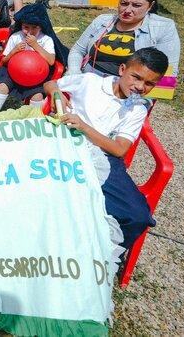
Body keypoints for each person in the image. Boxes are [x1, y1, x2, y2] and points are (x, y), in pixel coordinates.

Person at [45, 47, 169, 251]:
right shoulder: (90, 82)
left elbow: (119, 150)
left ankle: (102, 257)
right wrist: (56, 92)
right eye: (136, 77)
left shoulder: (138, 109)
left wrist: (84, 127)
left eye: (149, 84)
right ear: (122, 70)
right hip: (67, 145)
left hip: (104, 157)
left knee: (137, 215)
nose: (140, 87)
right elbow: (50, 83)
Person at [68, 0, 180, 82]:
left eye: (136, 5)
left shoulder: (163, 28)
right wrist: (74, 74)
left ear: (150, 6)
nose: (127, 10)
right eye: (123, 3)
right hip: (88, 82)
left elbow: (168, 71)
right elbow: (78, 50)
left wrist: (138, 95)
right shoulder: (102, 21)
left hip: (129, 91)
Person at [0, 4, 67, 111]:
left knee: (37, 96)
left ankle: (32, 117)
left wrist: (35, 45)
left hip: (36, 77)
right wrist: (14, 51)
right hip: (13, 73)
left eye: (34, 28)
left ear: (41, 27)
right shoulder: (16, 37)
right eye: (26, 27)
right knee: (2, 87)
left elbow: (51, 61)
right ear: (21, 25)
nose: (29, 32)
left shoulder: (46, 40)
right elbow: (4, 61)